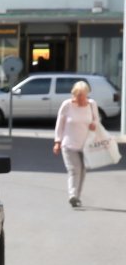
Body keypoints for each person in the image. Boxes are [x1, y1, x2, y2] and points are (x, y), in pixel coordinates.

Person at [52, 79, 99, 209]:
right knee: (74, 170)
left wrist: (94, 124)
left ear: (87, 94)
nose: (80, 98)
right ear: (73, 94)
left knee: (83, 171)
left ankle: (77, 197)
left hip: (86, 145)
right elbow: (59, 124)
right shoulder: (67, 105)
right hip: (69, 144)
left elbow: (96, 119)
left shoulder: (92, 104)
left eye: (83, 95)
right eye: (78, 95)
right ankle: (72, 195)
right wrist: (57, 141)